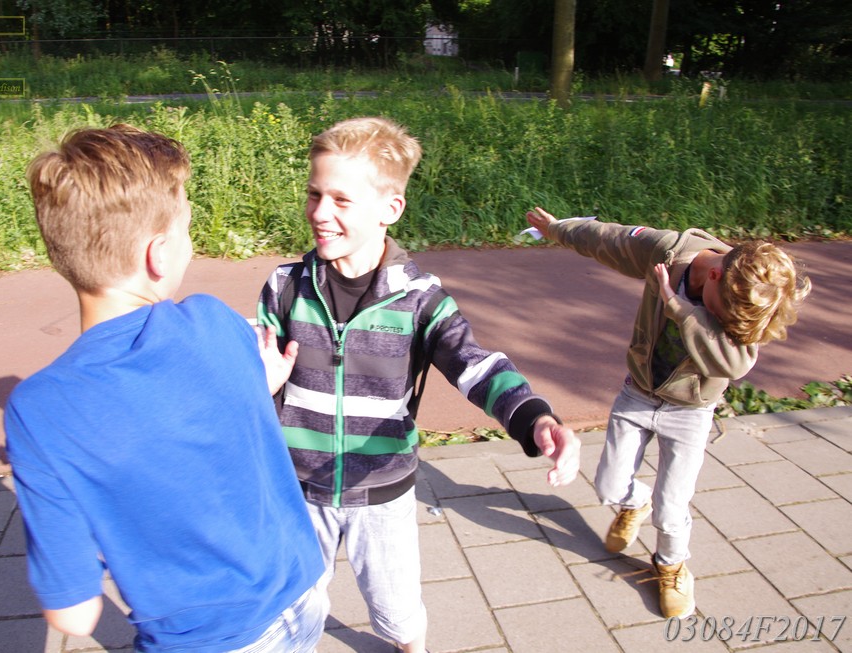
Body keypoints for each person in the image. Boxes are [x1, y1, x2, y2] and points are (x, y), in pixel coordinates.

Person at [257, 117, 581, 652]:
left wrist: (534, 417)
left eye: (341, 200)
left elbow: (474, 364)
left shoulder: (419, 298)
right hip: (296, 490)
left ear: (390, 209)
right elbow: (253, 379)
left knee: (399, 614)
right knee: (293, 609)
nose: (319, 212)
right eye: (314, 194)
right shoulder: (285, 287)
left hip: (382, 491)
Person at [5, 124, 325, 652]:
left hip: (209, 639)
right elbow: (211, 403)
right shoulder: (214, 321)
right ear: (157, 255)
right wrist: (259, 384)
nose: (190, 246)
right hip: (303, 594)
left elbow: (74, 616)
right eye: (187, 230)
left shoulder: (39, 410)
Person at [525, 206, 811, 619]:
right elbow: (612, 239)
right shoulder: (670, 253)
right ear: (714, 275)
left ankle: (672, 566)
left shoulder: (746, 299)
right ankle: (634, 503)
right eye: (719, 316)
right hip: (638, 394)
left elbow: (735, 364)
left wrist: (679, 309)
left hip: (691, 411)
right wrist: (559, 229)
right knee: (608, 488)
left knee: (672, 507)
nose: (721, 324)